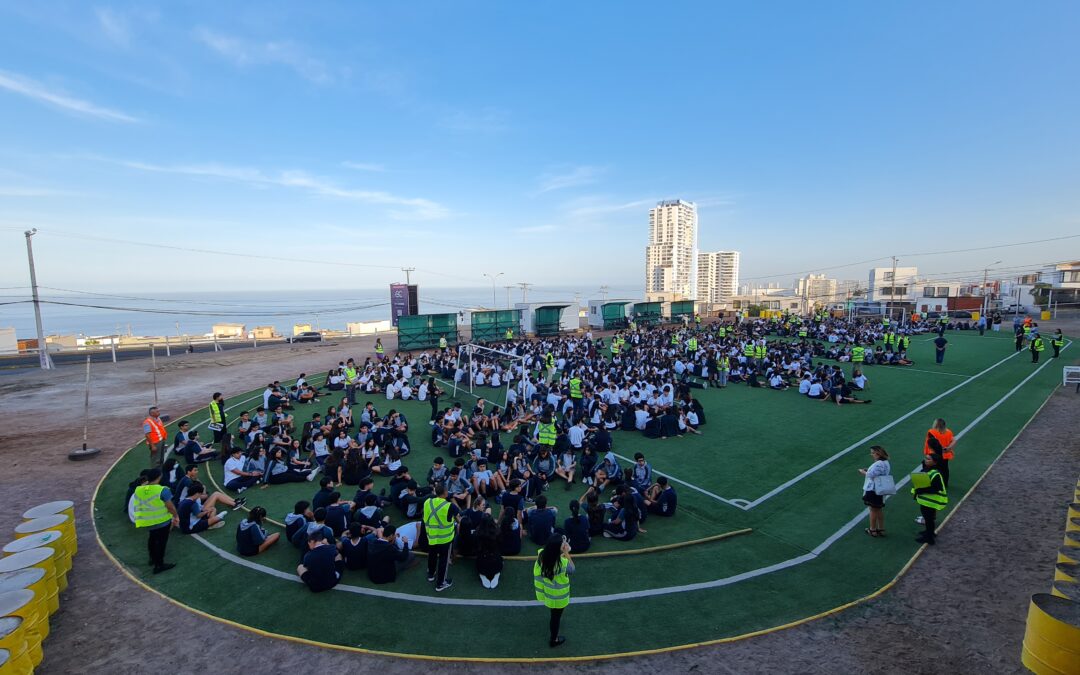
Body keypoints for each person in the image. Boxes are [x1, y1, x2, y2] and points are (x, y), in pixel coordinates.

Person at [132, 467, 180, 574]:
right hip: (161, 521)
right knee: (161, 543)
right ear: (159, 477)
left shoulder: (140, 489)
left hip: (147, 521)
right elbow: (170, 507)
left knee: (152, 539)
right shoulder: (163, 490)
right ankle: (159, 565)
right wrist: (176, 516)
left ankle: (152, 559)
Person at [533, 534, 575, 648]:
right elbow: (572, 568)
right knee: (555, 618)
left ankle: (554, 636)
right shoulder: (562, 563)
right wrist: (566, 552)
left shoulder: (542, 555)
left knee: (554, 615)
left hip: (548, 593)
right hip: (559, 596)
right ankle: (554, 640)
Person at [423, 482, 459, 592]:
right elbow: (457, 515)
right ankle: (440, 583)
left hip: (431, 536)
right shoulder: (449, 506)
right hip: (445, 539)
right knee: (443, 560)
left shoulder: (427, 502)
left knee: (432, 554)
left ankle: (431, 574)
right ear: (445, 493)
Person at [911, 453, 948, 545]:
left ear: (934, 462)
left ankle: (929, 538)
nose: (925, 460)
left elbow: (936, 488)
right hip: (927, 500)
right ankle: (929, 533)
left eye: (928, 459)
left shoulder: (935, 473)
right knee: (928, 519)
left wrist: (921, 490)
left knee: (929, 519)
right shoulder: (928, 470)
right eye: (926, 458)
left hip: (930, 501)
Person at [858, 446, 891, 537]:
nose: (871, 455)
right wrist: (868, 470)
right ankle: (881, 528)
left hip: (874, 490)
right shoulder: (885, 462)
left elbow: (871, 475)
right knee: (879, 509)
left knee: (872, 510)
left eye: (872, 453)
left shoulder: (879, 463)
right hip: (880, 489)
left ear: (878, 454)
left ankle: (872, 529)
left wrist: (863, 472)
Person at [923, 418, 956, 488]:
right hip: (945, 455)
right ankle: (945, 484)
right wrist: (949, 448)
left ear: (936, 425)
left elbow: (932, 444)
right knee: (945, 470)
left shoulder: (931, 432)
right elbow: (954, 440)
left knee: (930, 468)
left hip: (934, 455)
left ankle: (931, 483)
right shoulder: (949, 432)